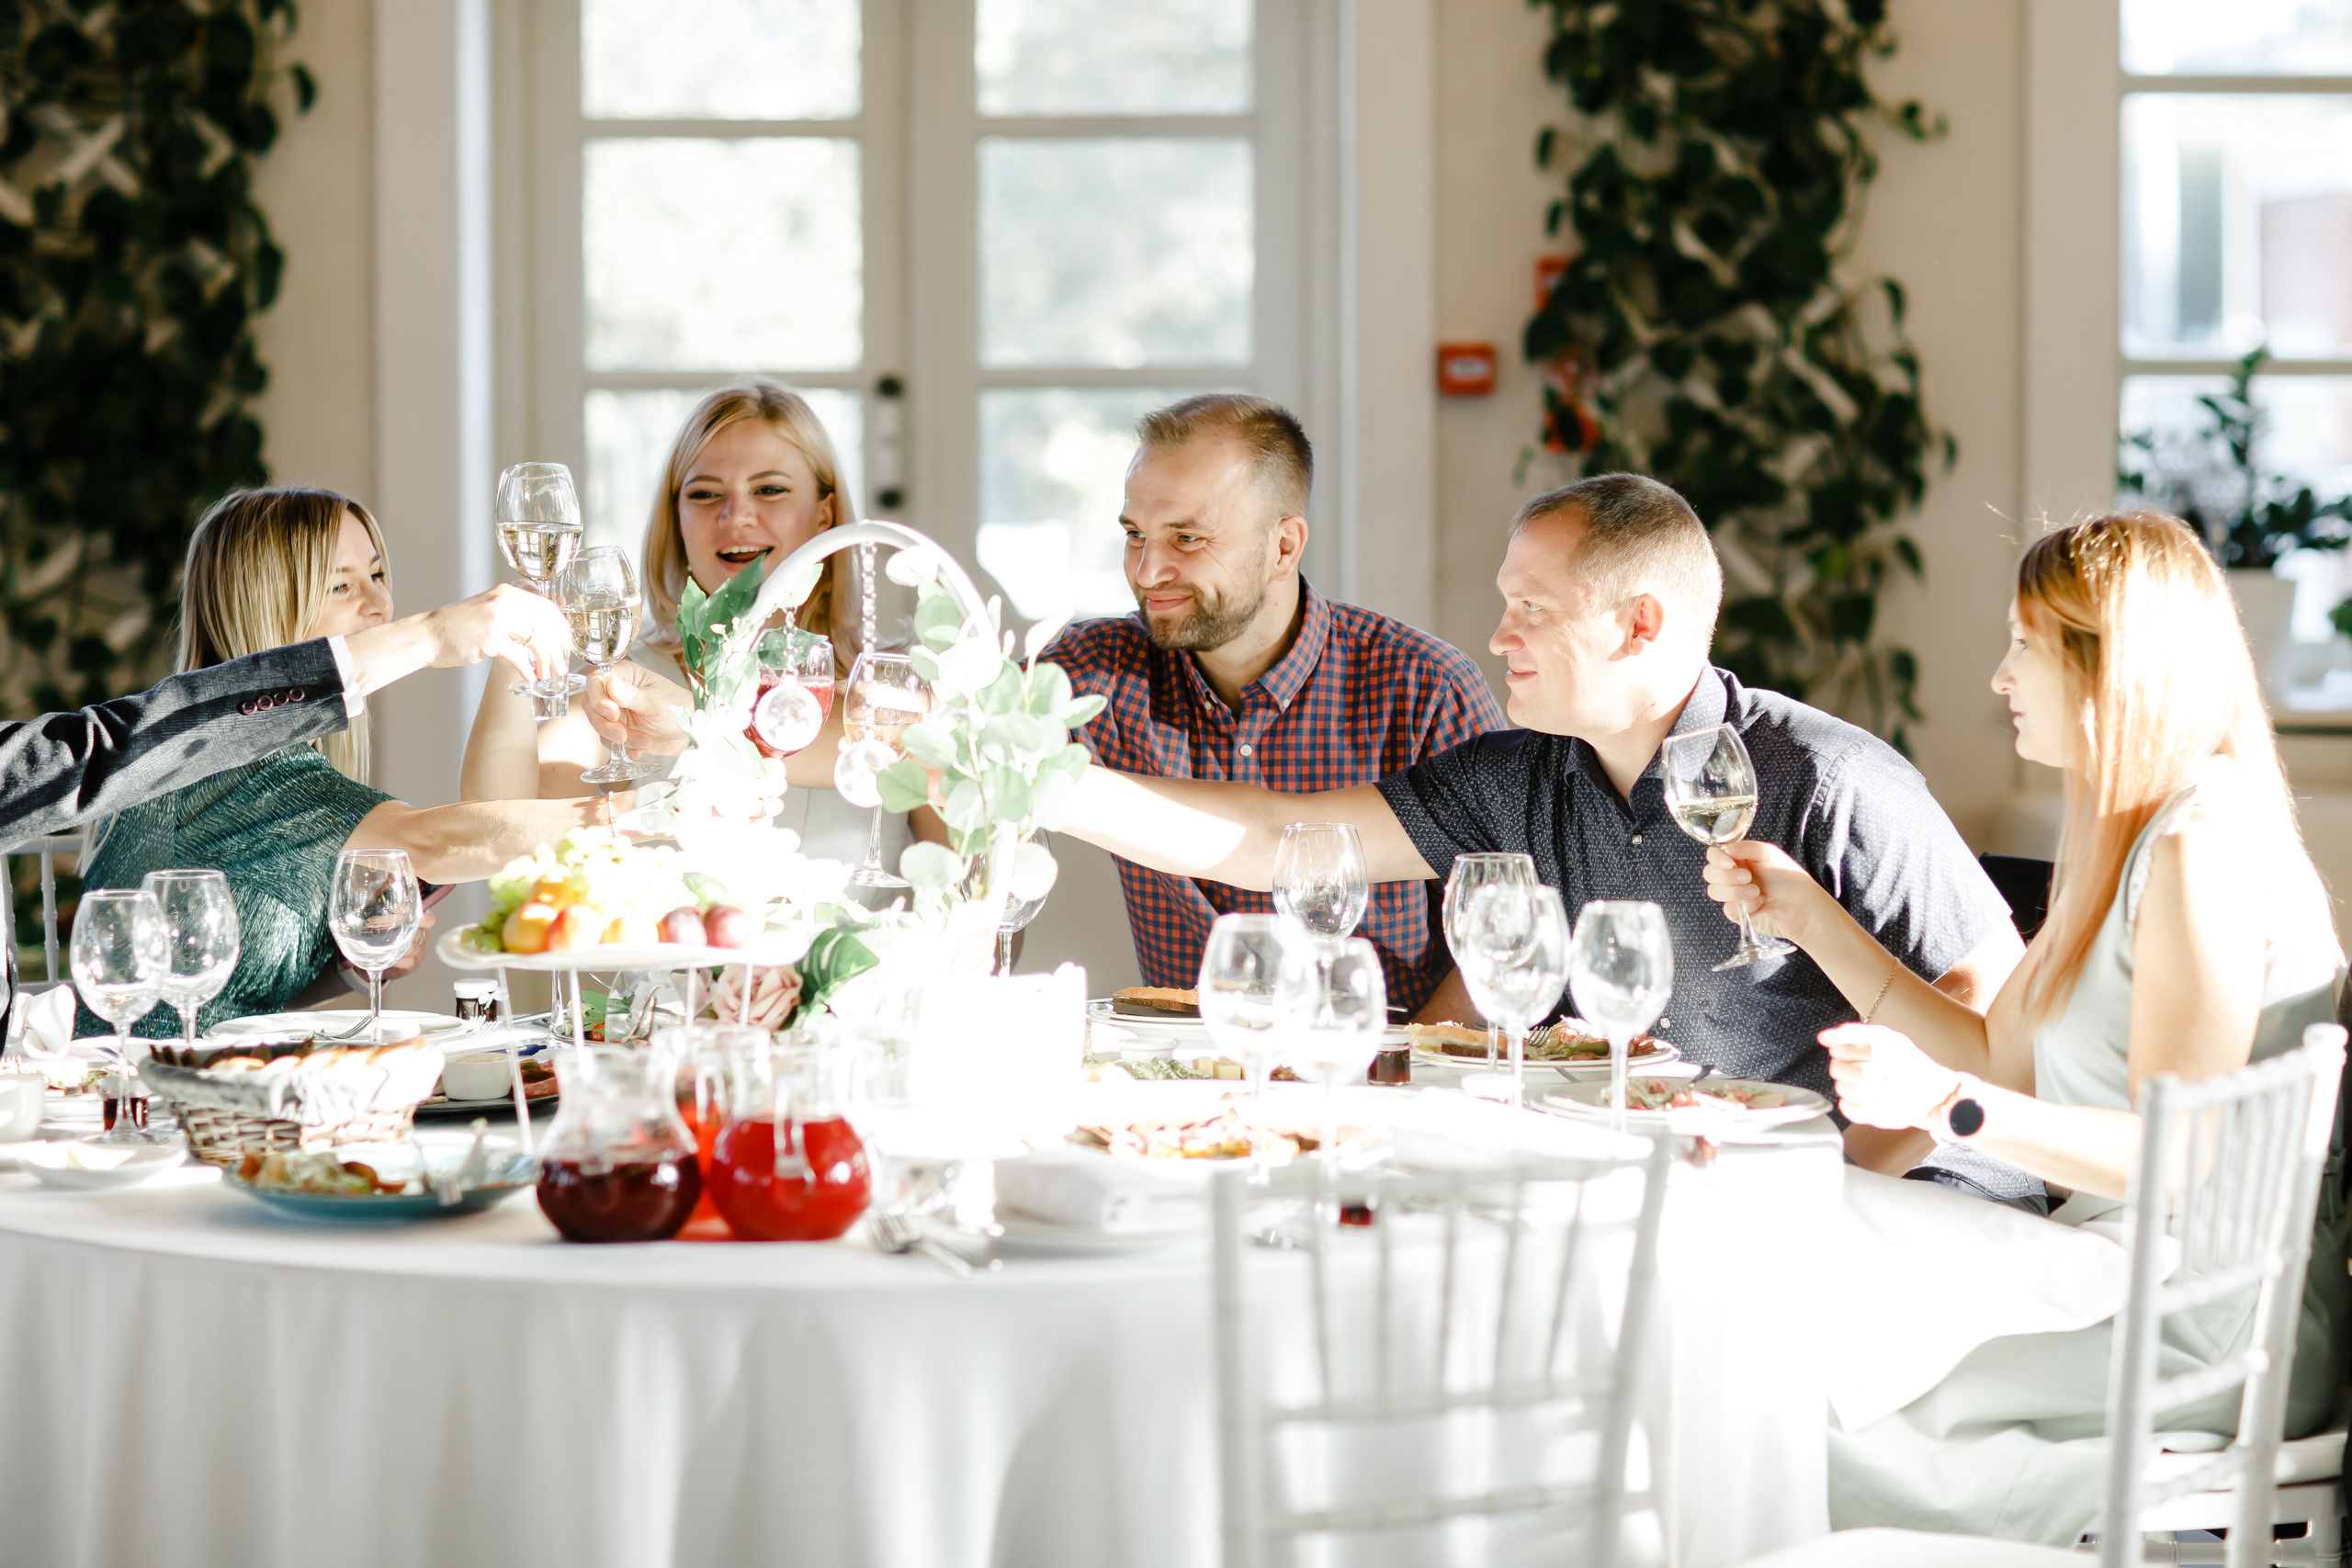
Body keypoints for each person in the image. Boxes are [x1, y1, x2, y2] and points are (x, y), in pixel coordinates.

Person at [589, 471, 2028, 1185]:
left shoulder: (1833, 780)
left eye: (1531, 609)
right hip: (1686, 1185)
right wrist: (1032, 775)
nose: (1496, 633)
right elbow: (1279, 850)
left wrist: (1844, 1180)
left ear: (1638, 620)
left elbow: (1991, 1024)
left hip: (1885, 1200)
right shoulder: (1531, 771)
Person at [1699, 511, 2345, 1543]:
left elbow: (2178, 1153)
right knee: (1783, 1300)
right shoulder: (2126, 834)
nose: (1999, 678)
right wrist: (1808, 916)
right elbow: (1996, 1053)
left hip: (2210, 1316)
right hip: (2128, 1271)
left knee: (1790, 1408)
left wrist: (1945, 1110)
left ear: (2109, 670)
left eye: (2023, 647)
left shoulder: (2197, 847)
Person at [71, 488, 617, 1038]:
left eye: (378, 576)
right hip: (135, 1098)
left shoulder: (241, 757)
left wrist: (349, 970)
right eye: (341, 585)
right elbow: (440, 840)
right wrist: (650, 817)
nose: (379, 604)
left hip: (207, 1092)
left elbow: (234, 989)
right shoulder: (229, 768)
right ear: (268, 608)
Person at [1035, 394, 1506, 1014]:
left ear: (1285, 547)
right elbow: (965, 747)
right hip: (1185, 1077)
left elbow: (1508, 928)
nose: (1147, 571)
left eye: (1186, 537)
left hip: (1382, 1071)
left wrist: (1411, 1070)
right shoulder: (1094, 669)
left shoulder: (1426, 689)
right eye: (1134, 535)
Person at [462, 380, 944, 867]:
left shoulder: (896, 679)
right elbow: (493, 832)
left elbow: (976, 894)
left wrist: (695, 721)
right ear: (678, 520)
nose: (736, 516)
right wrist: (513, 654)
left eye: (770, 489)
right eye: (706, 494)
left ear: (825, 515)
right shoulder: (629, 682)